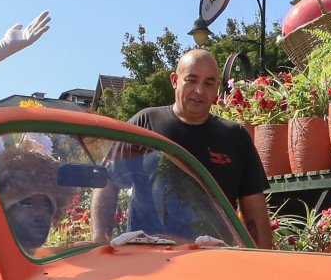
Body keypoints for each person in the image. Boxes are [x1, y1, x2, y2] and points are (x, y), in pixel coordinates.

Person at [117, 49, 273, 246]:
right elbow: (106, 183)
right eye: (191, 80)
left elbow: (254, 210)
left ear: (217, 87)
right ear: (174, 80)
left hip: (213, 260)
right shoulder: (145, 123)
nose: (199, 91)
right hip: (150, 260)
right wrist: (100, 240)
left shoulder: (235, 136)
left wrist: (264, 259)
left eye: (209, 83)